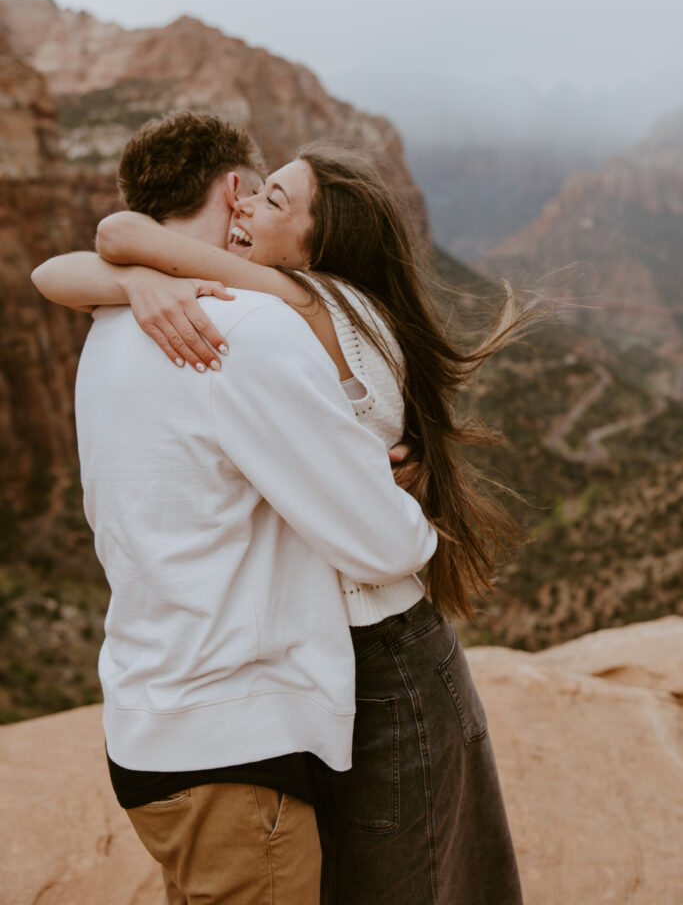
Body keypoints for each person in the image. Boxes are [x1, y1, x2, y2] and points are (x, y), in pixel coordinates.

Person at [33, 111, 527, 904]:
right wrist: (134, 279)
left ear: (321, 240)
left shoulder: (241, 314)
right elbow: (101, 254)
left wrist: (131, 276)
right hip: (272, 702)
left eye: (275, 201)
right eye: (255, 193)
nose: (251, 212)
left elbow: (108, 240)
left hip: (350, 664)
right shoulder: (226, 317)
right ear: (230, 191)